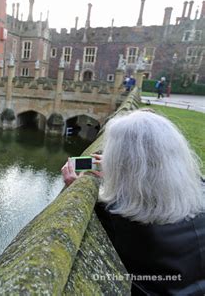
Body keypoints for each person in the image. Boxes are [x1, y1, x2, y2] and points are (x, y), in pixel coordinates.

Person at [61, 110, 205, 295]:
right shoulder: (200, 189)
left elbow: (91, 208)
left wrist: (74, 187)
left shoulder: (119, 219)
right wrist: (121, 169)